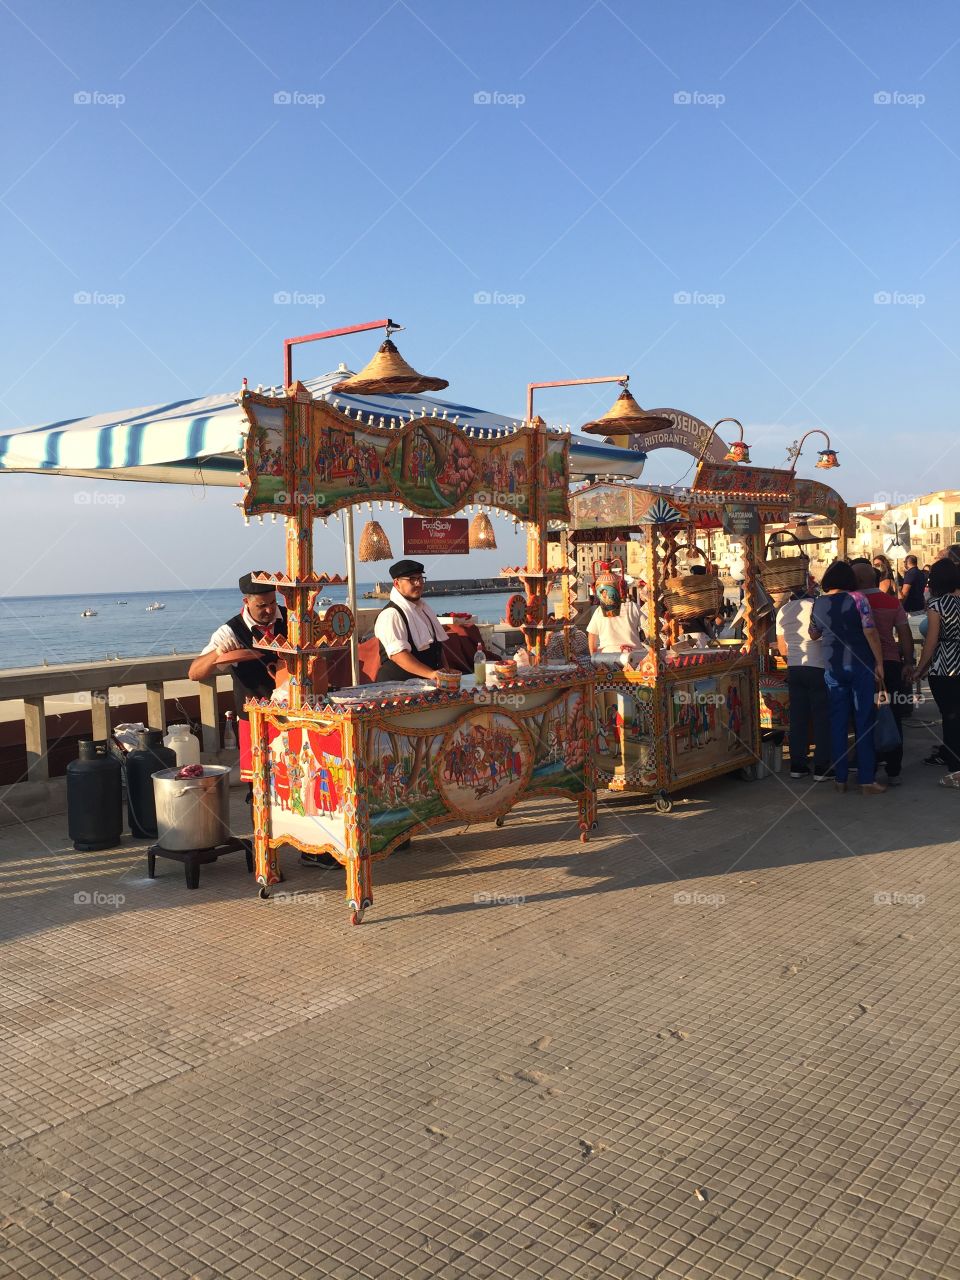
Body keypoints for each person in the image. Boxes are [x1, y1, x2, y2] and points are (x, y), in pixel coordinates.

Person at [809, 560, 887, 795]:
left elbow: (813, 634)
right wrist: (880, 662)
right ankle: (866, 780)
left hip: (833, 667)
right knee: (863, 721)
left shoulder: (819, 603)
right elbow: (870, 631)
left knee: (838, 722)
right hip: (860, 665)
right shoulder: (858, 599)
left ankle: (840, 778)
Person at [852, 558, 914, 785]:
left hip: (862, 663)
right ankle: (894, 769)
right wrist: (908, 661)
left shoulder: (852, 602)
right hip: (890, 663)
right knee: (892, 713)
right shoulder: (891, 603)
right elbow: (904, 634)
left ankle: (868, 764)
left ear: (856, 580)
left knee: (863, 714)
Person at [776, 582, 831, 781]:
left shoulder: (782, 611)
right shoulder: (818, 606)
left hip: (795, 668)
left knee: (798, 718)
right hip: (818, 668)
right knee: (821, 718)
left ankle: (797, 765)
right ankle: (822, 767)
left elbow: (783, 650)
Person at [914, 557, 960, 787]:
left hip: (945, 667)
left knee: (951, 718)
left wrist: (920, 668)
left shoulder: (937, 605)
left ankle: (956, 770)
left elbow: (931, 642)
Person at [374, 559, 449, 682]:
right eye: (412, 579)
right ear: (397, 583)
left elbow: (437, 647)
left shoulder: (424, 610)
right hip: (397, 688)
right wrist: (431, 674)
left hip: (426, 685)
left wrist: (445, 672)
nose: (418, 583)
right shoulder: (391, 614)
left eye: (420, 578)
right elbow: (399, 655)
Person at [586, 578, 645, 656]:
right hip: (633, 656)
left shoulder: (599, 610)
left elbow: (592, 634)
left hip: (607, 657)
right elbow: (648, 629)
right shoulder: (633, 606)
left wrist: (593, 656)